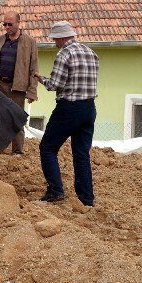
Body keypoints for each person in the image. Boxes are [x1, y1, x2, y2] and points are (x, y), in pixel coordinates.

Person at [35, 21, 99, 206]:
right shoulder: (90, 52)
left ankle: (56, 190)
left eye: (55, 38)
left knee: (47, 148)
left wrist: (41, 79)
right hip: (89, 108)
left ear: (62, 37)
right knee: (81, 154)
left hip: (69, 108)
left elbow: (55, 85)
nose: (54, 41)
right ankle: (86, 199)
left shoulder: (64, 54)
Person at [0, 11, 38, 154]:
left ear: (18, 23)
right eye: (5, 24)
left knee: (16, 118)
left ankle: (17, 151)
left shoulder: (30, 42)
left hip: (17, 87)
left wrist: (32, 91)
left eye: (10, 24)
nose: (7, 27)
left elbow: (34, 68)